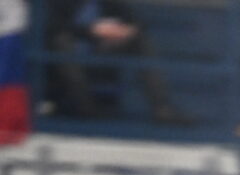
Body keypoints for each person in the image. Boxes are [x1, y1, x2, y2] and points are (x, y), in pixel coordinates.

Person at [45, 0, 188, 123]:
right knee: (61, 42)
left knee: (140, 40)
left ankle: (162, 109)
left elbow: (136, 21)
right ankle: (85, 107)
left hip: (98, 55)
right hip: (68, 58)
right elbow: (54, 27)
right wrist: (91, 30)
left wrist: (125, 31)